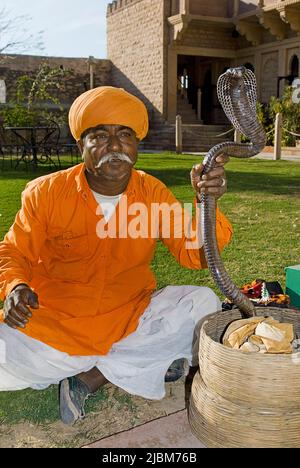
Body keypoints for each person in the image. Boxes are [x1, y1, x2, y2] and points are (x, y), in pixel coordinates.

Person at [0, 86, 232, 425]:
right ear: (81, 145)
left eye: (125, 135)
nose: (114, 146)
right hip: (53, 331)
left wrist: (206, 202)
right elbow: (14, 251)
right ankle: (136, 363)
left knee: (202, 304)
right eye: (100, 135)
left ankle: (92, 377)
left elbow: (194, 254)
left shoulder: (152, 192)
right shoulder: (45, 193)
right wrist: (16, 286)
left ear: (135, 146)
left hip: (128, 320)